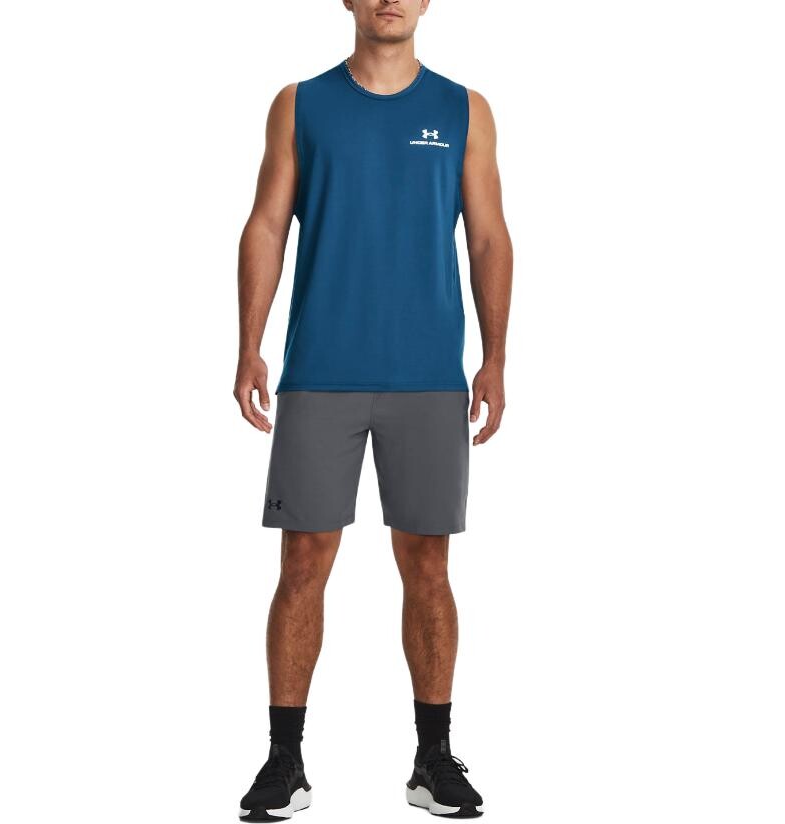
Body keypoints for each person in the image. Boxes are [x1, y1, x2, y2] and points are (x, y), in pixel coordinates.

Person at [233, 0, 512, 818]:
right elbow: (266, 225)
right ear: (348, 1)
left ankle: (433, 760)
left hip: (429, 376)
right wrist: (249, 346)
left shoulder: (464, 109)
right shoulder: (299, 104)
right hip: (320, 371)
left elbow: (488, 238)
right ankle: (284, 761)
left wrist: (495, 358)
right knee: (302, 564)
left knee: (428, 567)